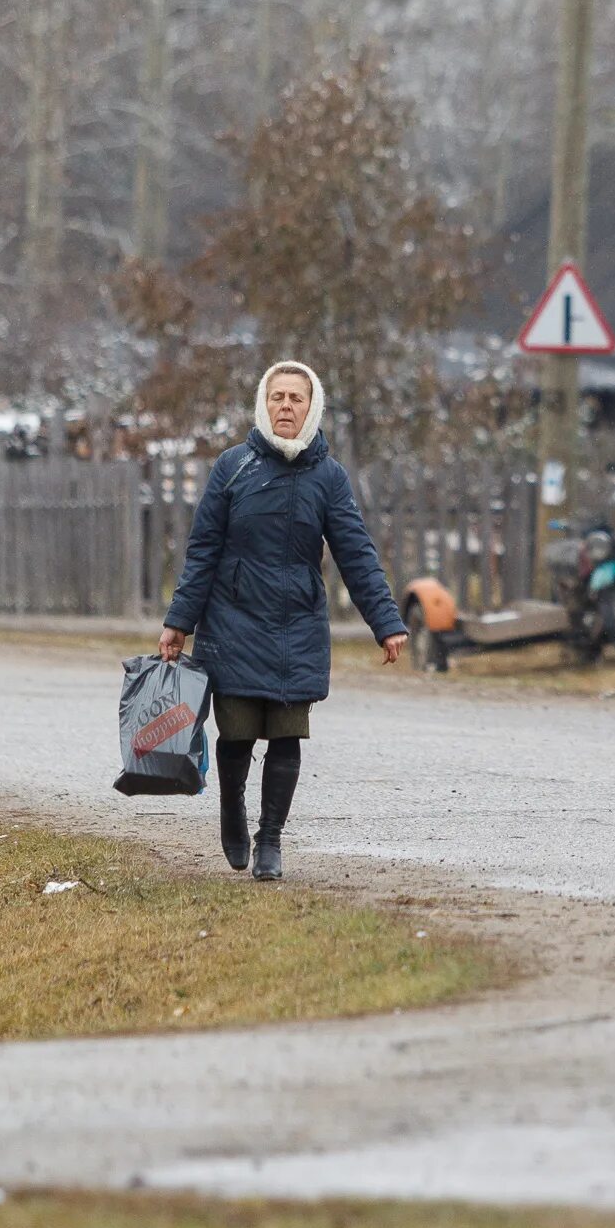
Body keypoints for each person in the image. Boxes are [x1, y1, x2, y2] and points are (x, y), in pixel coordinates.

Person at [159, 362, 406, 880]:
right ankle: (233, 809)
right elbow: (203, 549)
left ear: (311, 407)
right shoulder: (232, 467)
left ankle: (270, 838)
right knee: (237, 735)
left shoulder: (328, 476)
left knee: (288, 734)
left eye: (296, 398)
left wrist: (385, 622)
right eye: (278, 397)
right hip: (232, 619)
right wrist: (179, 621)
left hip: (296, 622)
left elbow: (355, 553)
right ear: (263, 405)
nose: (286, 406)